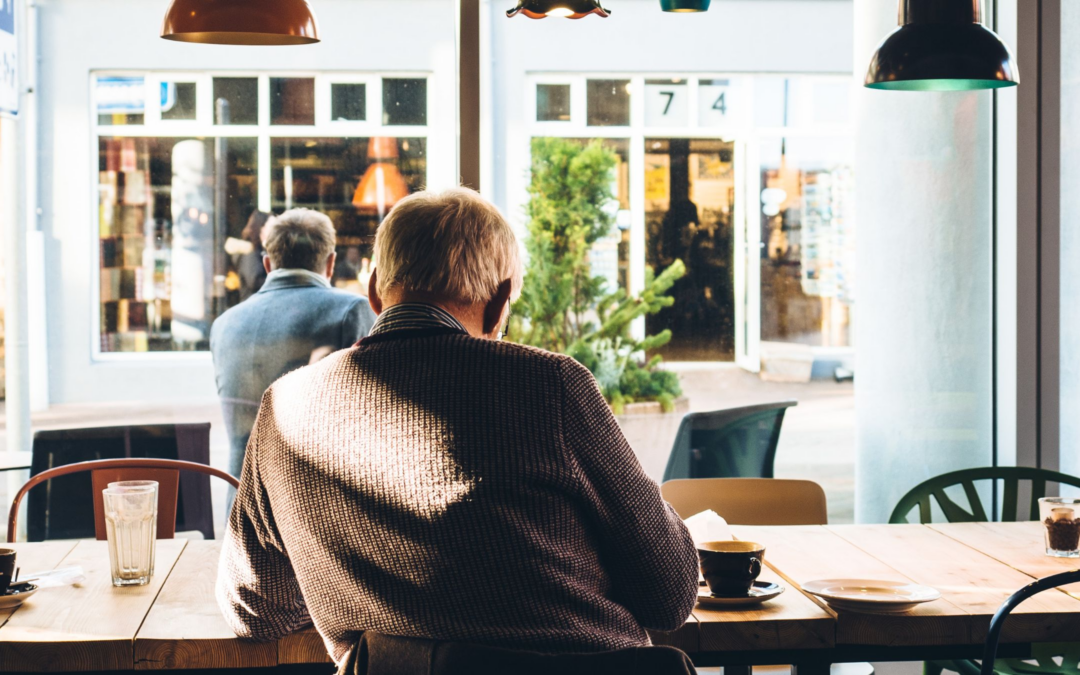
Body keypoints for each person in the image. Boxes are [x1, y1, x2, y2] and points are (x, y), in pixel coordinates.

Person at [216, 188, 699, 665]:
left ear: (375, 290)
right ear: (499, 303)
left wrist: (355, 582)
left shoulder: (285, 407)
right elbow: (670, 595)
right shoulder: (552, 387)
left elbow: (255, 610)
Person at [210, 207, 376, 493]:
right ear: (331, 263)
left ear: (267, 264)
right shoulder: (350, 311)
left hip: (241, 508)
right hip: (317, 507)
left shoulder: (224, 324)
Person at [234, 210, 274, 302]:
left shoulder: (259, 251)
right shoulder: (250, 252)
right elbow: (255, 281)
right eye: (271, 227)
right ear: (261, 229)